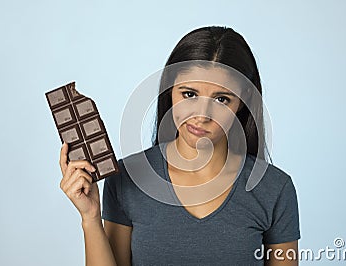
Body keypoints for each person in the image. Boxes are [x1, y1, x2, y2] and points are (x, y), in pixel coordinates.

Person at [59, 26, 300, 265]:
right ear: (170, 89)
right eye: (189, 94)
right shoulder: (127, 179)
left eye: (221, 99)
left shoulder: (274, 189)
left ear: (243, 100)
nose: (202, 115)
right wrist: (90, 218)